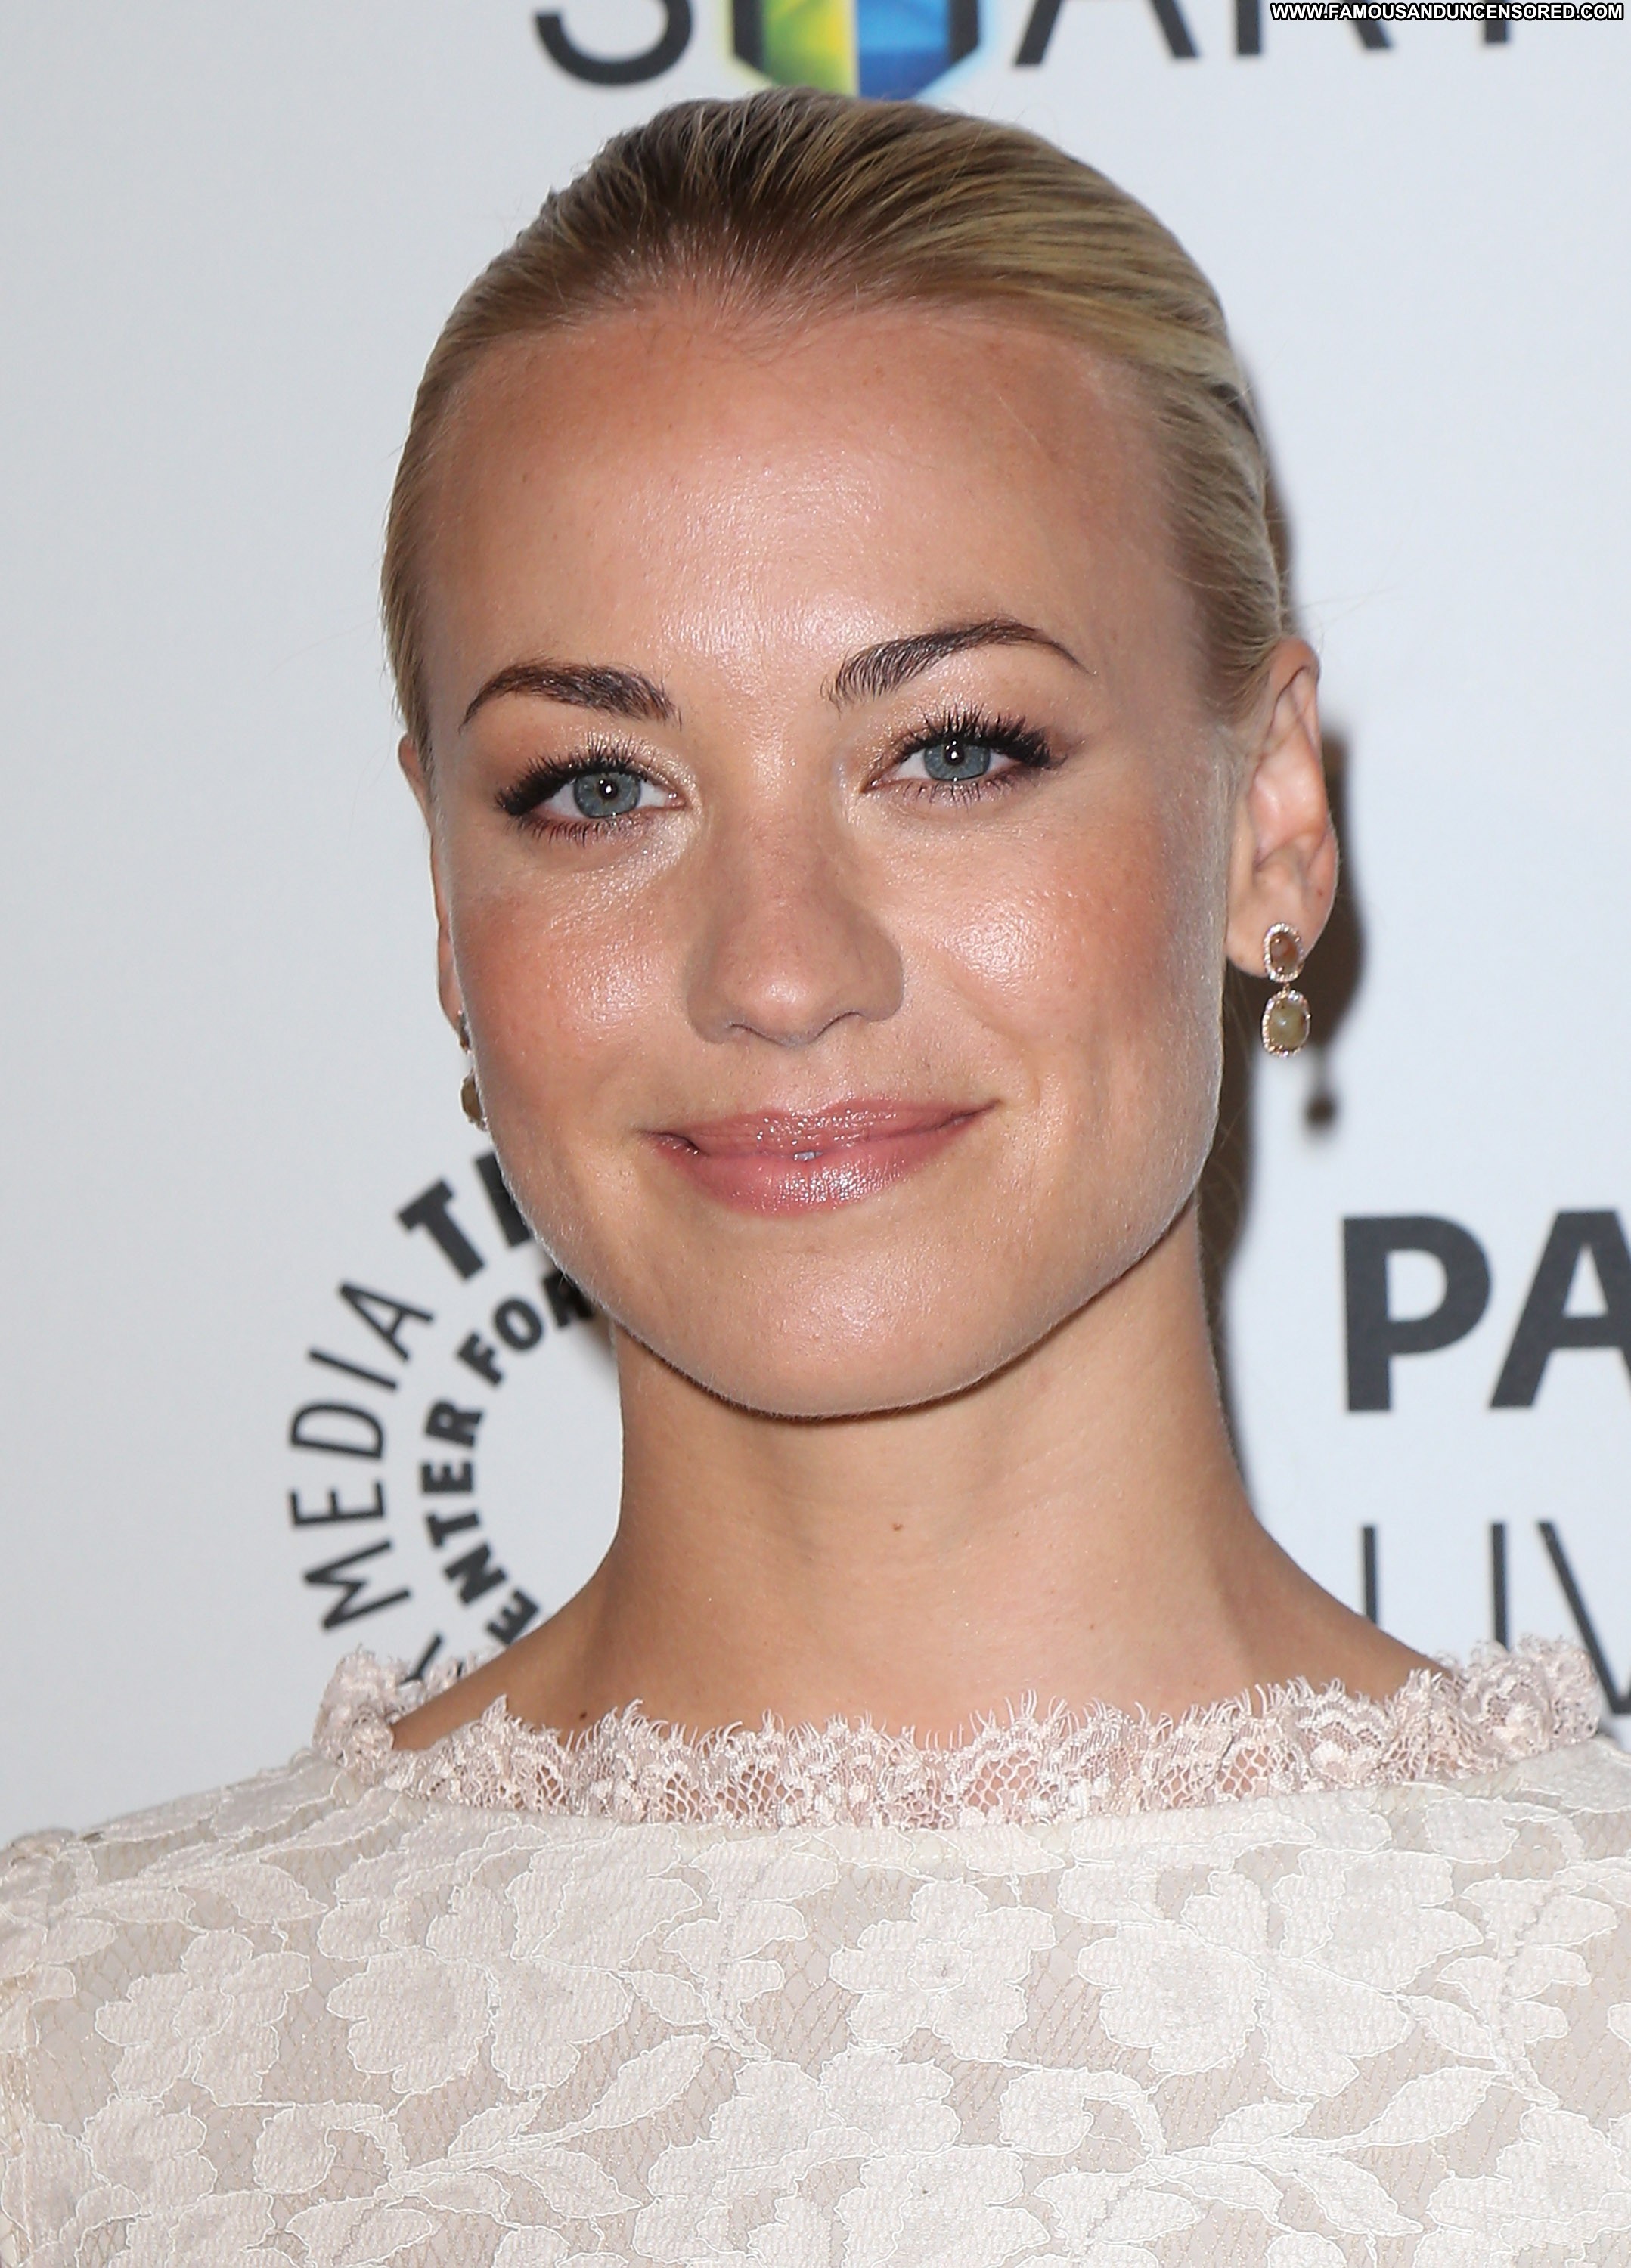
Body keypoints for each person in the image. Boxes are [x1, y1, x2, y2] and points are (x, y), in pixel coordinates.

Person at [3, 88, 1626, 2268]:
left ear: (1272, 823)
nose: (778, 969)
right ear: (447, 894)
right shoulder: (75, 2070)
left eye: (952, 752)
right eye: (598, 787)